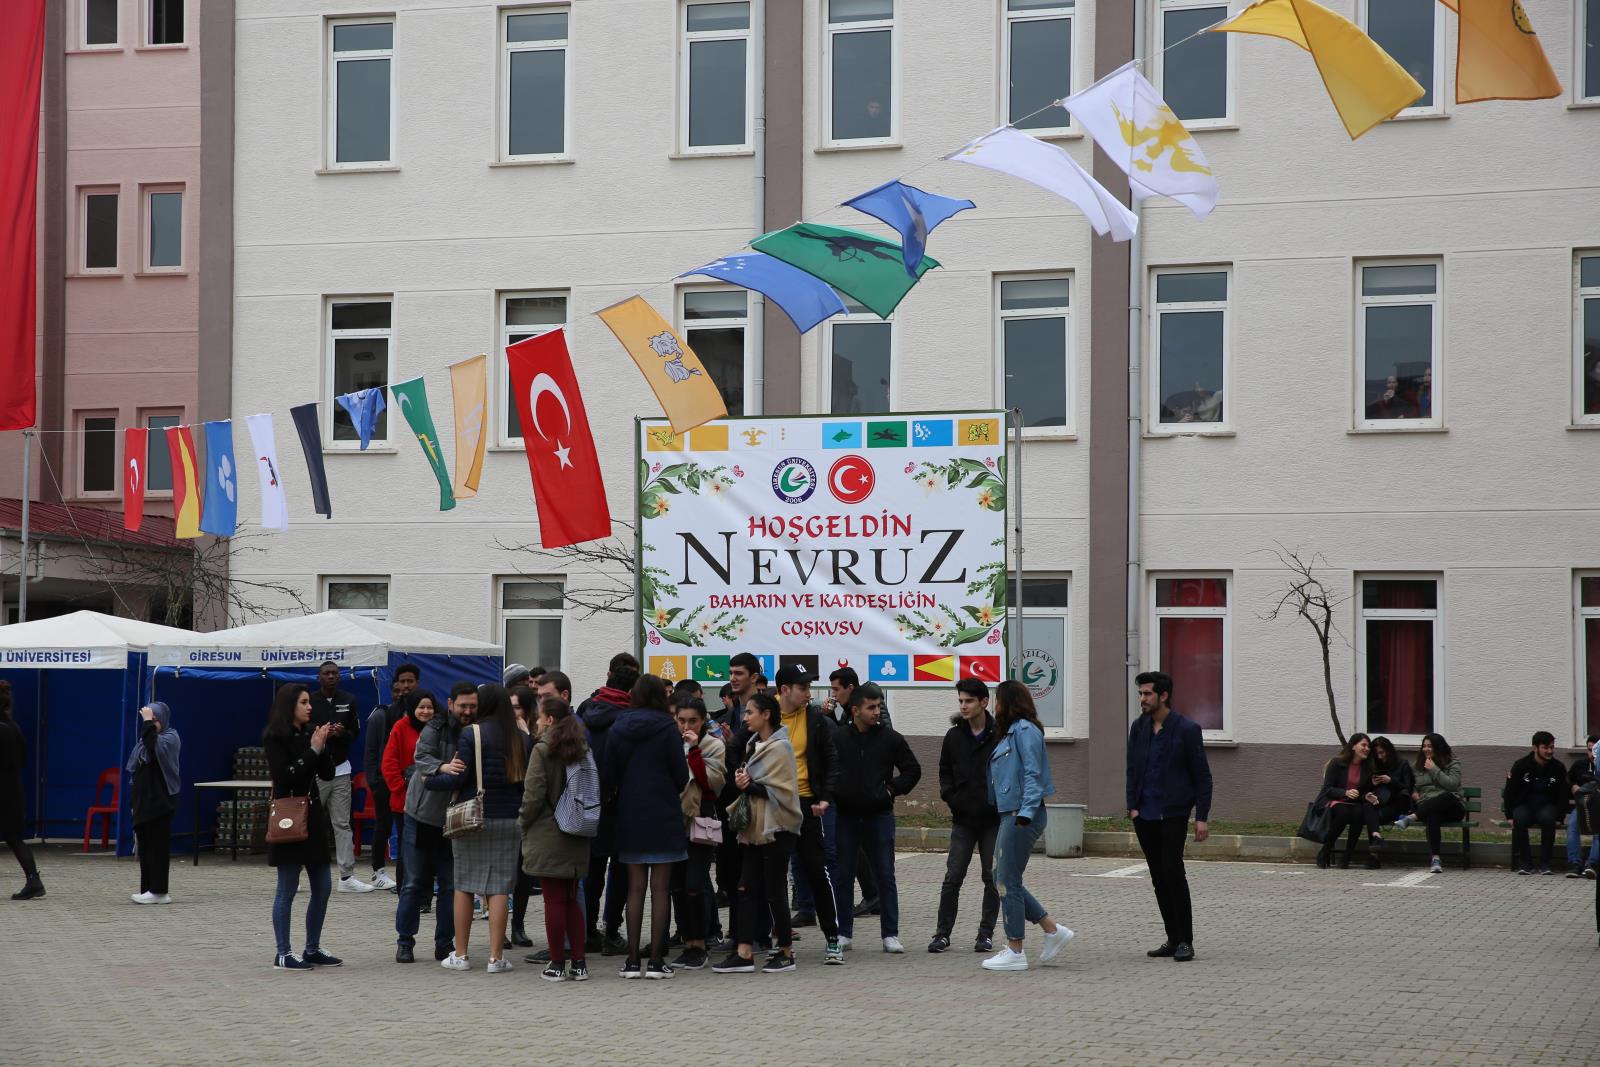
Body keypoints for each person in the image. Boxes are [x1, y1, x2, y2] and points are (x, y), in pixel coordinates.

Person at [425, 683, 530, 973]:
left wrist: (428, 780)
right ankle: (496, 958)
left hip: (474, 817)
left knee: (464, 885)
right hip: (509, 818)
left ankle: (461, 954)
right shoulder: (520, 737)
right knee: (500, 888)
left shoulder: (472, 733)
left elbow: (458, 777)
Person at [602, 674, 691, 979]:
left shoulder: (618, 727)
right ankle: (655, 961)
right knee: (661, 889)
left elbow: (608, 774)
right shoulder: (668, 728)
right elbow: (681, 775)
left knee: (634, 888)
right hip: (663, 812)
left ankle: (631, 962)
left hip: (630, 813)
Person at [713, 693, 807, 974]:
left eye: (750, 712)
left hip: (778, 827)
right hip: (755, 826)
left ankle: (786, 952)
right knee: (745, 886)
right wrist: (743, 781)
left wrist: (749, 785)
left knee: (775, 889)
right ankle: (744, 952)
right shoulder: (753, 744)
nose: (745, 717)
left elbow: (783, 791)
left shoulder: (781, 748)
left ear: (766, 714)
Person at [982, 681, 1071, 972]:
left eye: (997, 700)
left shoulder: (1025, 730)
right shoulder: (1010, 732)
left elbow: (1034, 773)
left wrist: (1027, 812)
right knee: (1002, 877)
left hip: (1021, 815)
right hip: (1011, 812)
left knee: (1006, 880)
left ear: (1008, 702)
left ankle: (1015, 949)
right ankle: (1052, 930)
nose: (994, 706)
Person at [1126, 671, 1212, 962]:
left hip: (1174, 813)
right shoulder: (1138, 728)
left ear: (1163, 696)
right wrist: (1132, 807)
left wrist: (1201, 816)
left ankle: (1186, 940)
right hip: (1144, 814)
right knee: (1158, 877)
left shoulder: (1187, 729)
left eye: (1147, 693)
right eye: (1140, 693)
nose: (1142, 699)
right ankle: (1172, 939)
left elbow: (1202, 776)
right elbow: (1131, 770)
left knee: (1173, 872)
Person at [831, 683, 919, 954]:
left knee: (885, 875)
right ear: (855, 710)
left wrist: (891, 790)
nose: (876, 711)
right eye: (871, 707)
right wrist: (834, 792)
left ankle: (890, 934)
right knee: (843, 876)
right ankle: (843, 933)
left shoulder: (890, 739)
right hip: (846, 816)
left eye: (879, 706)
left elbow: (912, 770)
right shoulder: (838, 738)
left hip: (879, 816)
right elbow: (825, 769)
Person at [263, 683, 343, 970]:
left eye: (310, 702)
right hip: (288, 817)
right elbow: (285, 776)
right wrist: (312, 750)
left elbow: (328, 774)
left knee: (323, 886)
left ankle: (313, 948)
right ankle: (283, 953)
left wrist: (323, 746)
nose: (310, 707)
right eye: (304, 702)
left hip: (312, 817)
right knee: (287, 888)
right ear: (290, 705)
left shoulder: (311, 733)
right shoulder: (274, 737)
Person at [518, 696, 593, 982]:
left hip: (548, 831)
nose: (536, 722)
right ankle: (579, 963)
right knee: (572, 898)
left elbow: (533, 794)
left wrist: (523, 822)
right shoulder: (582, 748)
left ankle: (557, 963)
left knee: (553, 900)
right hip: (577, 829)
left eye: (539, 717)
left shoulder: (542, 750)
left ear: (549, 719)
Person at [772, 664, 844, 960]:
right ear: (784, 690)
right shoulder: (767, 714)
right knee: (774, 873)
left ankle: (833, 938)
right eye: (803, 688)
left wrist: (825, 797)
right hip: (773, 803)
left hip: (806, 803)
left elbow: (831, 759)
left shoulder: (815, 718)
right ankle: (780, 939)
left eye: (809, 687)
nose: (809, 694)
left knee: (817, 868)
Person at [397, 682, 473, 963]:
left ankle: (445, 943)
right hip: (421, 816)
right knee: (414, 883)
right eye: (463, 705)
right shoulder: (435, 727)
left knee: (450, 886)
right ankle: (405, 941)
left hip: (455, 820)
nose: (468, 711)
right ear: (451, 704)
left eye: (473, 706)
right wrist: (444, 767)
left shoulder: (477, 730)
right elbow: (421, 757)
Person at [929, 677, 999, 954]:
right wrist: (952, 797)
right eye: (960, 701)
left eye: (969, 701)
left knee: (992, 878)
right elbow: (944, 771)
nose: (963, 706)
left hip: (993, 820)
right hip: (963, 819)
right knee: (953, 877)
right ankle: (942, 934)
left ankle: (985, 934)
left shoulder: (999, 734)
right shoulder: (954, 736)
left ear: (984, 702)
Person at [579, 653, 638, 956]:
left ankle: (587, 930)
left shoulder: (586, 709)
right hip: (622, 801)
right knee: (622, 870)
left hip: (588, 798)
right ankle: (612, 931)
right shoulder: (632, 717)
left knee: (591, 869)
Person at [671, 695, 725, 971]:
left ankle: (700, 943)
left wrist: (694, 750)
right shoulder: (670, 743)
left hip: (701, 818)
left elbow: (711, 784)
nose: (686, 726)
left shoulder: (713, 745)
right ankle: (687, 940)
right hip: (673, 821)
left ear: (703, 721)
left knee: (695, 882)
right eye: (681, 720)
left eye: (693, 721)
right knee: (677, 885)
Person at [308, 661, 371, 893]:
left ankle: (346, 876)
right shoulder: (309, 700)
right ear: (319, 677)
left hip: (341, 769)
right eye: (327, 673)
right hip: (316, 771)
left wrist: (342, 733)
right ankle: (297, 873)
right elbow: (302, 729)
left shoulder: (349, 700)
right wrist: (320, 733)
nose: (331, 677)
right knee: (308, 823)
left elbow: (355, 733)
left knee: (342, 824)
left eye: (335, 673)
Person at [381, 689, 433, 960]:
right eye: (421, 707)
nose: (425, 711)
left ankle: (427, 897)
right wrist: (402, 789)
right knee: (407, 853)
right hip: (405, 803)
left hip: (434, 804)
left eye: (429, 707)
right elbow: (389, 763)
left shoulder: (439, 729)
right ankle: (407, 896)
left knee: (432, 855)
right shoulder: (400, 727)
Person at [362, 663, 418, 893]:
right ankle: (378, 871)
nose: (403, 689)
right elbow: (372, 752)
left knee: (408, 832)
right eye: (398, 686)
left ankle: (413, 878)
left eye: (408, 682)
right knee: (384, 826)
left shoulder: (423, 713)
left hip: (412, 783)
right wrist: (375, 781)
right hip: (385, 782)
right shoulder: (383, 715)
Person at [127, 701, 180, 905]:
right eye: (148, 720)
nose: (150, 724)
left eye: (154, 720)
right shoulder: (145, 741)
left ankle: (159, 890)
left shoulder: (170, 738)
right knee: (146, 847)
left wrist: (147, 723)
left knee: (157, 847)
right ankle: (148, 889)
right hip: (144, 802)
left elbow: (153, 745)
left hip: (160, 802)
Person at [1394, 733, 1464, 875]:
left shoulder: (1453, 763)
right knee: (1433, 815)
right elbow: (1413, 785)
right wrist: (1414, 792)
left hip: (1452, 808)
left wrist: (1434, 769)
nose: (1426, 749)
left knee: (1447, 796)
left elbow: (1452, 785)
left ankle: (1411, 818)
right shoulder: (1417, 766)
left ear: (1438, 747)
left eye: (1430, 746)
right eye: (1424, 746)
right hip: (1428, 807)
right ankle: (1435, 859)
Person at [1313, 734, 1383, 870]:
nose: (1367, 748)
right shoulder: (1336, 763)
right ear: (1353, 746)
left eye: (1368, 746)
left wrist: (1367, 796)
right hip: (1334, 800)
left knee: (1358, 813)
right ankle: (1325, 850)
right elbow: (1327, 789)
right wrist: (1344, 792)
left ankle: (1347, 856)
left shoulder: (1367, 768)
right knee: (1343, 812)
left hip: (1353, 803)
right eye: (1363, 745)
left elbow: (1362, 792)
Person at [1, 682, 43, 900]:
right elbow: (22, 759)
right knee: (14, 838)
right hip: (12, 790)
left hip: (4, 792)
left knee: (14, 838)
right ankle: (33, 880)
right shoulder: (12, 727)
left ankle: (34, 881)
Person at [1504, 731, 1568, 875]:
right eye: (1545, 747)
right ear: (1535, 748)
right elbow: (1510, 792)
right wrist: (1509, 815)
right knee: (1519, 818)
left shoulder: (1558, 767)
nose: (1549, 751)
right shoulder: (1521, 765)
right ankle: (1526, 863)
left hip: (1546, 806)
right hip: (1525, 805)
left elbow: (1563, 794)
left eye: (1552, 747)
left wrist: (1560, 816)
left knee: (1549, 819)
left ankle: (1545, 863)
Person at [507, 684, 542, 949]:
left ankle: (517, 925)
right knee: (501, 872)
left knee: (523, 873)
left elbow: (534, 769)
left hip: (527, 810)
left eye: (517, 707)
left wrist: (526, 736)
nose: (513, 713)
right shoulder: (501, 734)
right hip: (505, 808)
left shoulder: (536, 734)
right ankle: (499, 928)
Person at [1566, 735, 1599, 879]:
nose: (1592, 754)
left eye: (1595, 751)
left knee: (1598, 831)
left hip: (1598, 808)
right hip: (1582, 807)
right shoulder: (1580, 765)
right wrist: (1573, 786)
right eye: (1589, 750)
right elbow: (1569, 779)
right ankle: (1575, 863)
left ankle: (1592, 864)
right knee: (1572, 826)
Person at [1370, 736, 1415, 827]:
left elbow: (1408, 787)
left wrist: (1391, 781)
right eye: (1376, 754)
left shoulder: (1402, 763)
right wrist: (1373, 783)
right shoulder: (1375, 764)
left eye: (1382, 752)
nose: (1379, 756)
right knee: (1369, 814)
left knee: (1379, 816)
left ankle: (1400, 816)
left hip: (1397, 802)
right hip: (1380, 801)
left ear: (1388, 750)